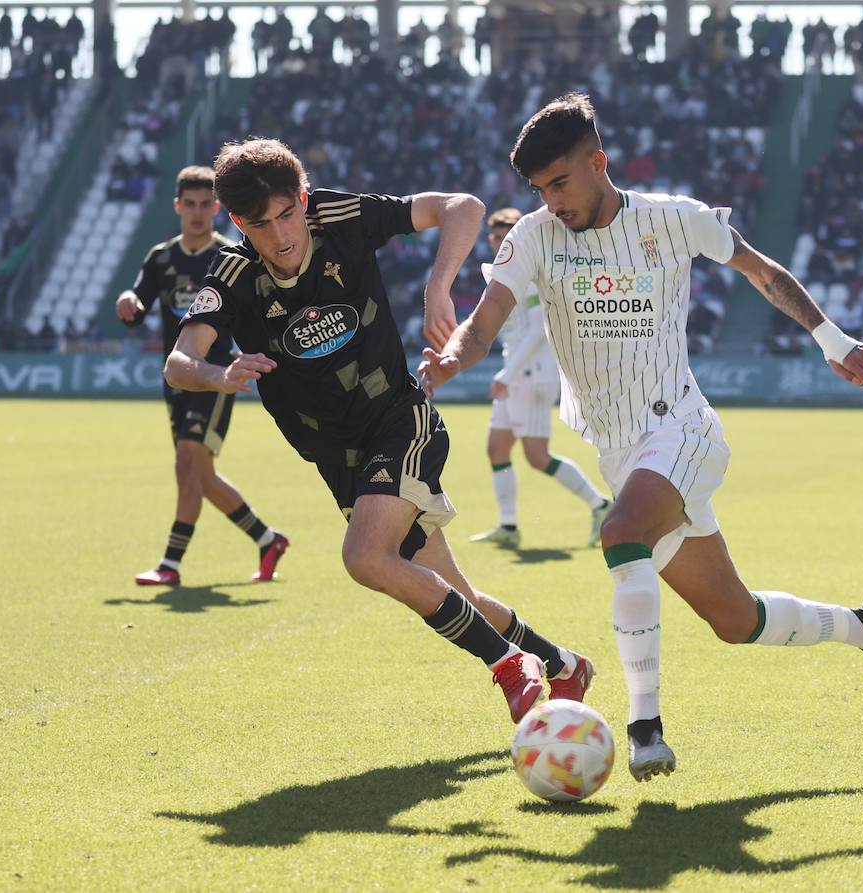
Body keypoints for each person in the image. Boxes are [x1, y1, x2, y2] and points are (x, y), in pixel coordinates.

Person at [420, 94, 863, 780]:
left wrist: (831, 340)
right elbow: (485, 320)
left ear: (598, 162)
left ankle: (644, 725)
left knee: (620, 531)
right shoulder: (533, 236)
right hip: (624, 453)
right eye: (539, 189)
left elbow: (762, 272)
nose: (551, 200)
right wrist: (452, 357)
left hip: (683, 428)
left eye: (560, 182)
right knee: (735, 618)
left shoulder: (673, 219)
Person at [164, 138, 592, 722]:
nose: (283, 235)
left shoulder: (339, 216)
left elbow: (461, 207)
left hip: (399, 420)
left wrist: (438, 285)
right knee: (449, 592)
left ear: (303, 198)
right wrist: (219, 373)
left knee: (366, 556)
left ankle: (510, 665)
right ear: (238, 222)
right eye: (261, 225)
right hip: (338, 457)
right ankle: (564, 663)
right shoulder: (233, 274)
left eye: (289, 214)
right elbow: (179, 363)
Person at [116, 166, 288, 587]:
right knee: (199, 474)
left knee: (188, 458)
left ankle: (170, 564)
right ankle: (267, 539)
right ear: (177, 206)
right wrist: (129, 301)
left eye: (205, 204)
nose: (197, 212)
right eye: (189, 204)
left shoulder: (230, 256)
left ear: (218, 208)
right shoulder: (161, 257)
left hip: (216, 374)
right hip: (177, 375)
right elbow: (138, 300)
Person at [469, 207, 612, 549]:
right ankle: (508, 525)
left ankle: (602, 506)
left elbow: (538, 330)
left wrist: (508, 372)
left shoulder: (530, 271)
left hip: (531, 374)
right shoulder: (504, 271)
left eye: (505, 235)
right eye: (493, 235)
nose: (497, 241)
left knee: (537, 455)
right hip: (516, 372)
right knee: (497, 448)